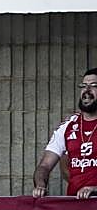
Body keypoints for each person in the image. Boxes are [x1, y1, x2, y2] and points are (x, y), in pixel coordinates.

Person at [33, 68, 97, 198]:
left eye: (94, 86)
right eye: (83, 86)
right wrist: (40, 185)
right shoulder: (68, 125)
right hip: (74, 205)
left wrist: (95, 189)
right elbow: (44, 165)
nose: (87, 90)